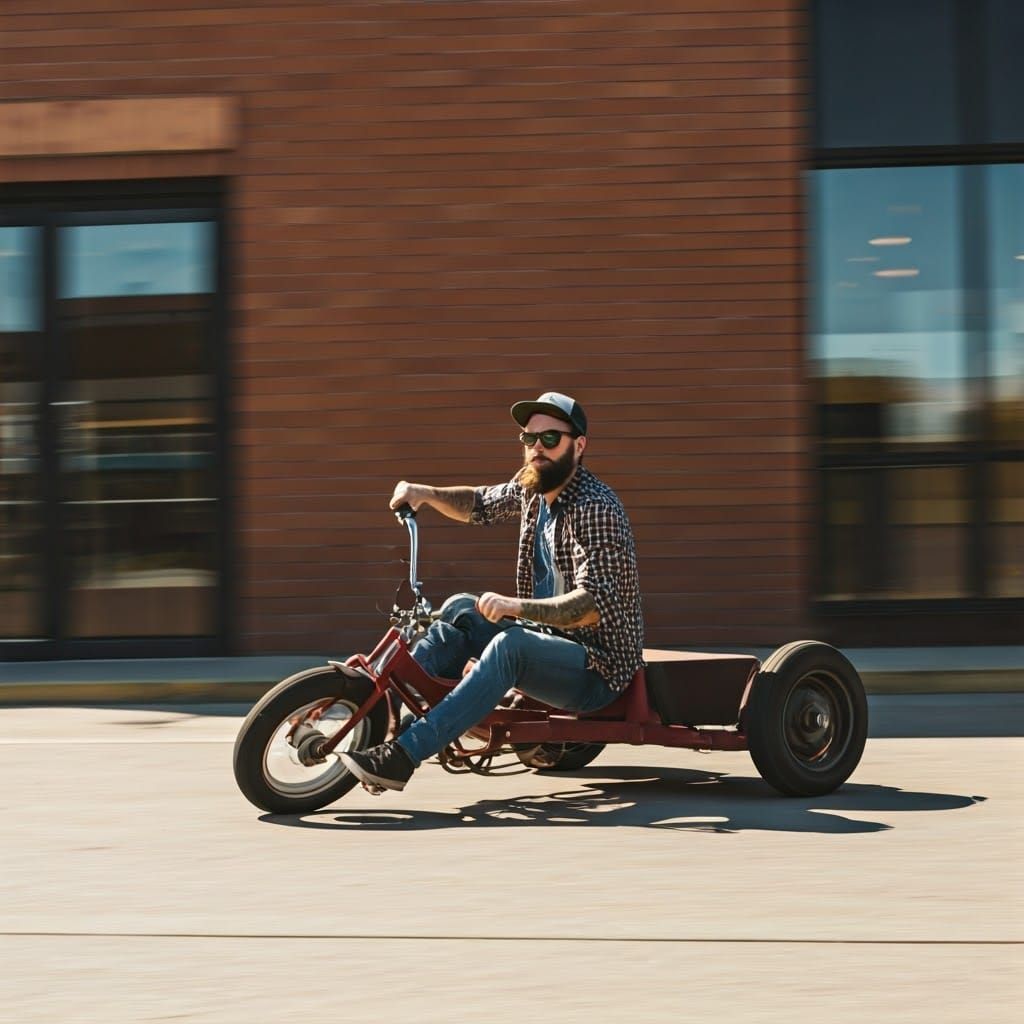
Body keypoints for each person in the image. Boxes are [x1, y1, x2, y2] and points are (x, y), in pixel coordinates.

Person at [339, 391, 644, 793]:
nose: (537, 447)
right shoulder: (532, 490)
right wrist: (425, 493)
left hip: (596, 667)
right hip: (550, 642)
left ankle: (404, 755)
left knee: (510, 645)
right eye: (528, 439)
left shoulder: (596, 508)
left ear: (579, 445)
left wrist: (516, 607)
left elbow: (593, 607)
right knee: (461, 609)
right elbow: (480, 503)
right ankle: (391, 713)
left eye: (550, 438)